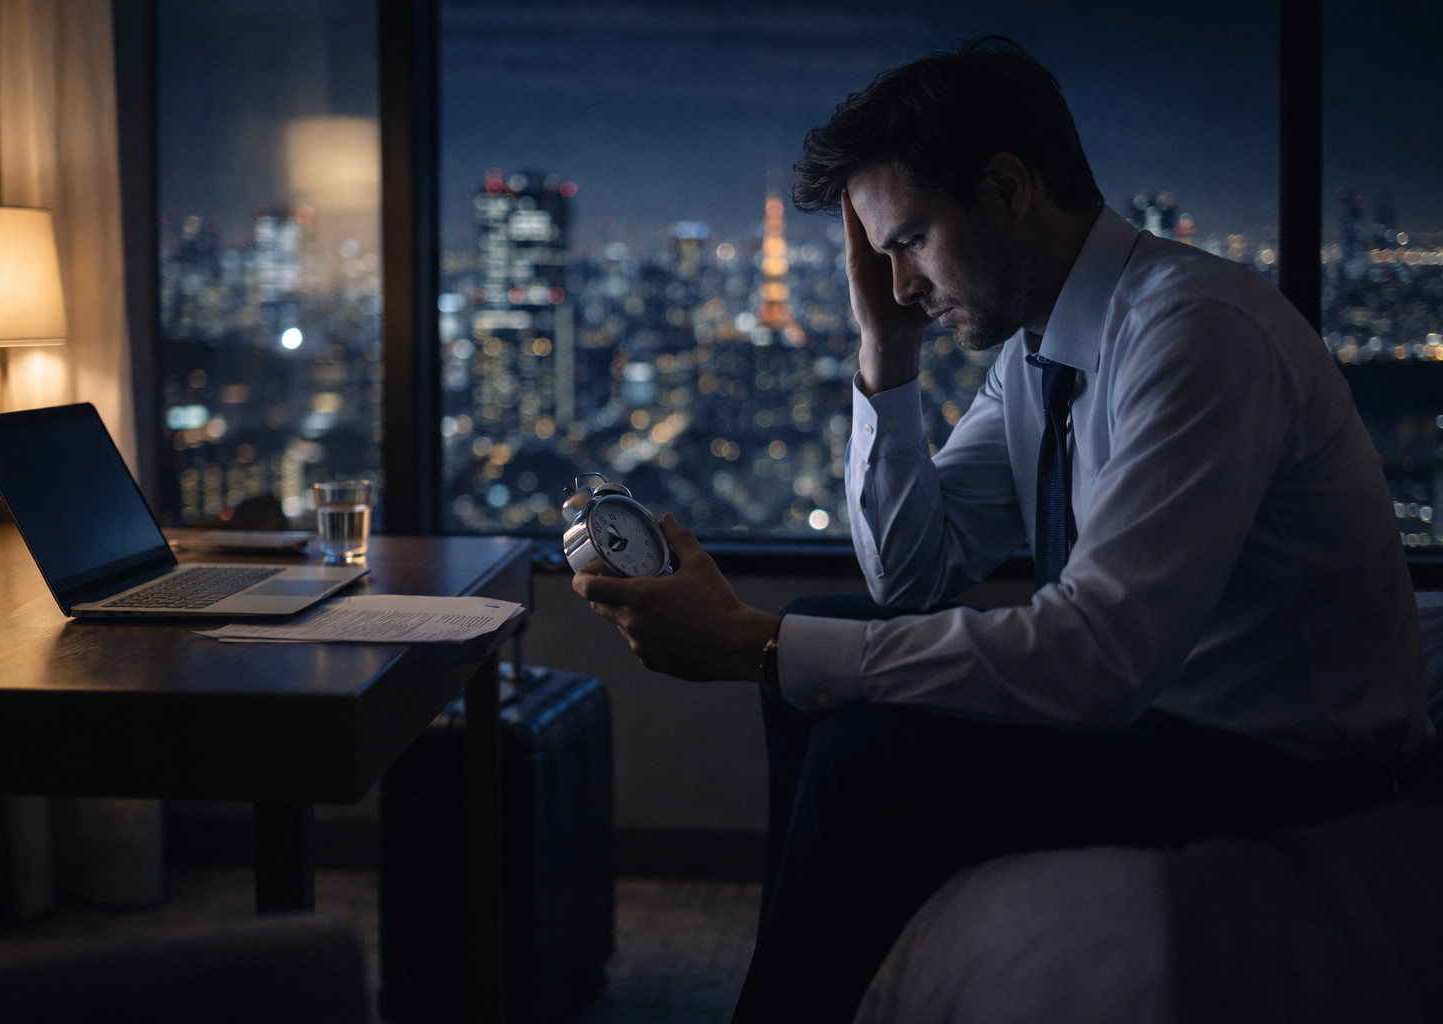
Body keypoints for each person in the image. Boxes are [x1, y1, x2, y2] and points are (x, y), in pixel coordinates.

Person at [573, 36, 1431, 1023]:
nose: (899, 284)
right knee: (813, 651)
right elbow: (912, 574)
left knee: (859, 746)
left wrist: (758, 642)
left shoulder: (1194, 333)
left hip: (1284, 766)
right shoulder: (1042, 354)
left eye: (908, 242)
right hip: (1168, 724)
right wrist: (883, 355)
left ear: (1009, 188)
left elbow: (1100, 655)